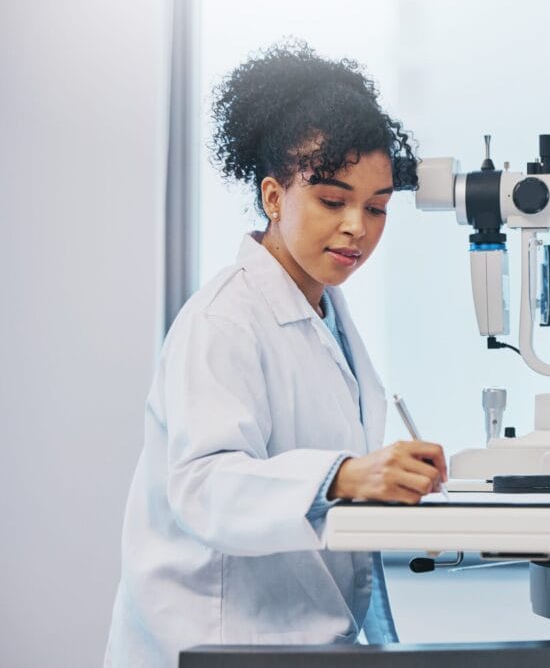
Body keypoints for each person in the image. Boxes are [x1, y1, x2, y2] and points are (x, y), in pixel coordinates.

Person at [105, 42, 447, 667]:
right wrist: (345, 475)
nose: (357, 228)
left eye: (376, 209)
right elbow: (205, 486)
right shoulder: (224, 320)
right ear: (272, 196)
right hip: (214, 635)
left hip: (288, 637)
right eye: (332, 200)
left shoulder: (324, 312)